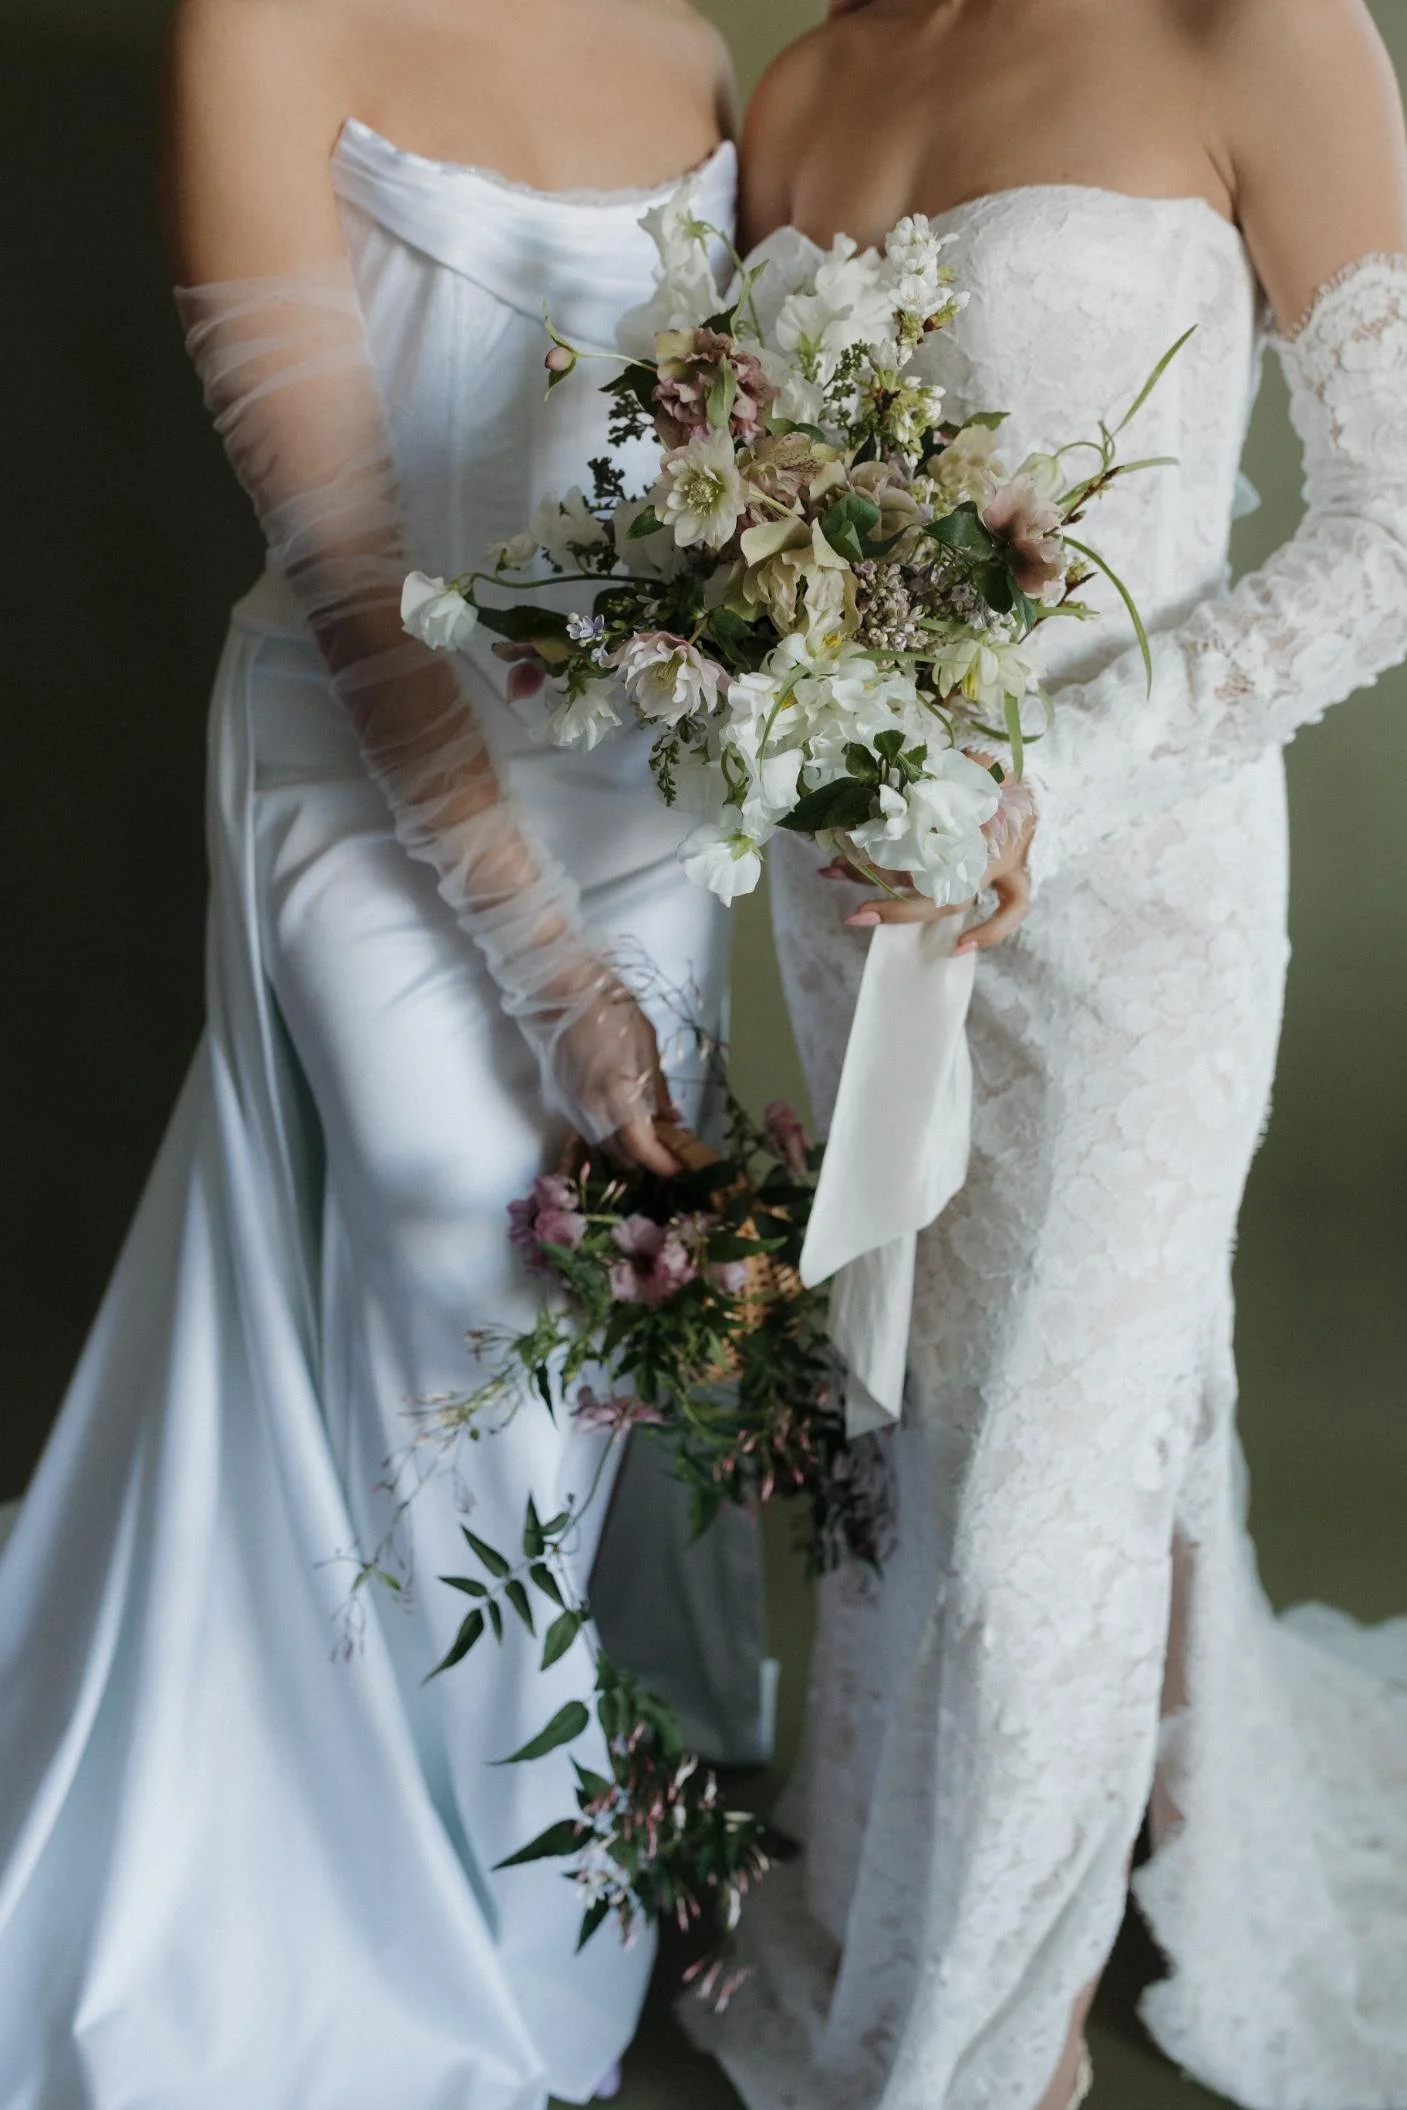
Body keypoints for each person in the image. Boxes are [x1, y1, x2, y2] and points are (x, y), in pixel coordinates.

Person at [0, 3, 767, 2103]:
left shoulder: (692, 47)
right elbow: (352, 559)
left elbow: (729, 447)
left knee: (617, 1279)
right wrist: (551, 970)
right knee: (461, 1220)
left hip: (642, 768)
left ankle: (553, 1835)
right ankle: (416, 1914)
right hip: (363, 738)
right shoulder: (254, 23)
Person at [684, 2, 1407, 2107]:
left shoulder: (1257, 34)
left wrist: (1051, 778)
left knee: (1027, 1534)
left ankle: (984, 2059)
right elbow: (754, 521)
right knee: (924, 1447)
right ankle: (1104, 1813)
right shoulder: (813, 78)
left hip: (1134, 889)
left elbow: (1390, 531)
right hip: (861, 908)